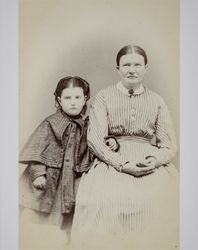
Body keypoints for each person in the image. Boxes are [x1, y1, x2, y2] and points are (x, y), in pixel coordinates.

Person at [70, 45, 179, 250]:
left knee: (165, 200)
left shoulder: (156, 100)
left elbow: (169, 144)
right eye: (126, 64)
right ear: (118, 68)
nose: (132, 69)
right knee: (106, 202)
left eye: (137, 64)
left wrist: (155, 160)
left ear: (146, 68)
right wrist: (121, 164)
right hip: (111, 160)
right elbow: (95, 140)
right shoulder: (104, 97)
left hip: (148, 161)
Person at [19, 76, 92, 250]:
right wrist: (38, 174)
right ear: (59, 100)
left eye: (77, 97)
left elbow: (96, 142)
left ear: (85, 99)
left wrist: (112, 140)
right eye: (67, 98)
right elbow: (37, 150)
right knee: (43, 220)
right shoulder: (50, 123)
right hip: (51, 179)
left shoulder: (87, 125)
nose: (73, 103)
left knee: (70, 220)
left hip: (73, 179)